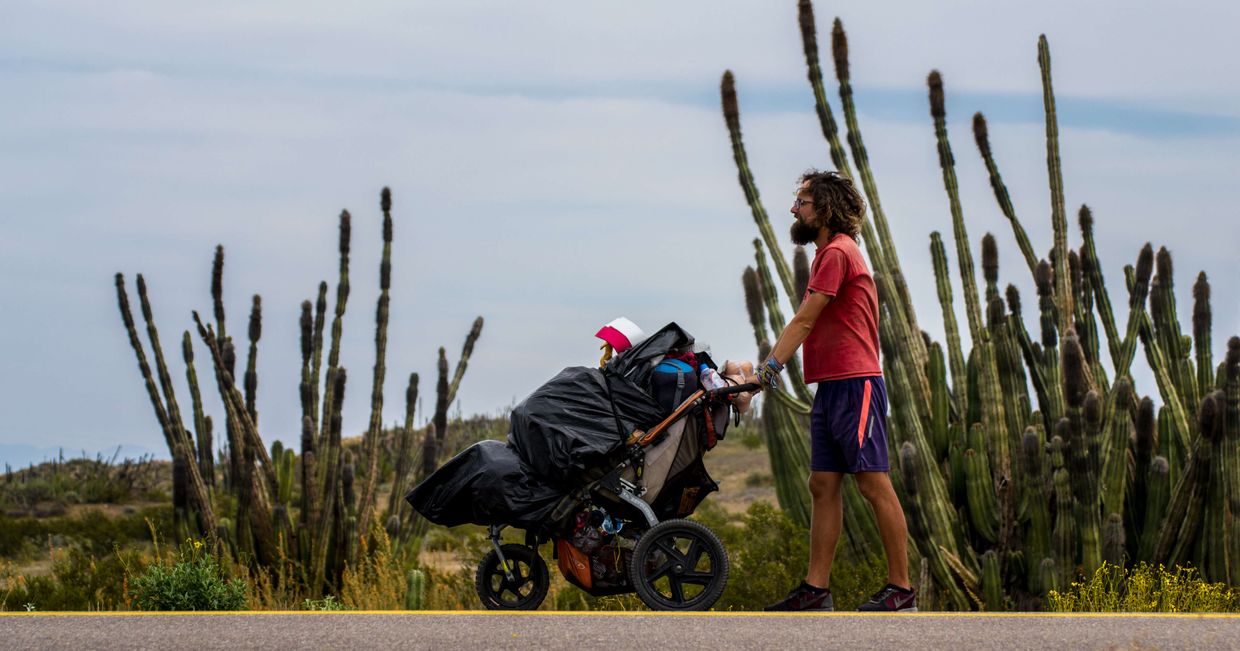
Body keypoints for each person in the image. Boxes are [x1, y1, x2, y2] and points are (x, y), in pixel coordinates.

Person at [756, 169, 916, 612]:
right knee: (823, 483)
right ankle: (816, 589)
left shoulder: (838, 253)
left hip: (856, 383)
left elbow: (804, 320)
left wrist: (765, 374)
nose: (794, 209)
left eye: (802, 202)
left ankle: (901, 590)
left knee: (871, 483)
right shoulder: (829, 253)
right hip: (831, 385)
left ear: (824, 208)